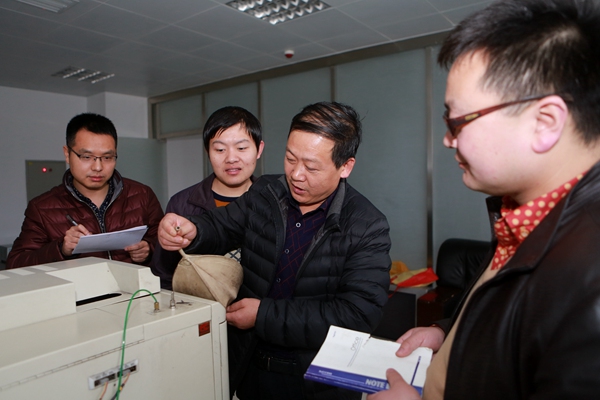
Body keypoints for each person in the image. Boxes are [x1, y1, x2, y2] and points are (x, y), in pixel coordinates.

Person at [369, 1, 600, 399]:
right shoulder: (523, 217)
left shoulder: (587, 275)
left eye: (457, 121)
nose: (448, 140)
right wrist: (445, 331)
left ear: (544, 122)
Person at [158, 101, 392, 399]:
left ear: (345, 166)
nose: (296, 174)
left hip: (317, 382)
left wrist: (263, 314)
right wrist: (193, 229)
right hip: (252, 368)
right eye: (290, 159)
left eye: (311, 167)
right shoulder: (267, 192)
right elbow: (222, 226)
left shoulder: (367, 225)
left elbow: (357, 314)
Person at [7, 113, 164, 269]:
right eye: (87, 157)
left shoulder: (142, 195)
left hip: (135, 285)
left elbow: (167, 246)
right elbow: (16, 264)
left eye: (107, 157)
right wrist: (61, 249)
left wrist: (149, 249)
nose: (98, 167)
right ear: (67, 154)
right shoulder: (41, 208)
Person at [150, 106, 264, 289]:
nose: (231, 158)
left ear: (259, 149)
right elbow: (164, 275)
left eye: (241, 148)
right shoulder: (182, 204)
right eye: (220, 149)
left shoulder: (274, 201)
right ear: (208, 152)